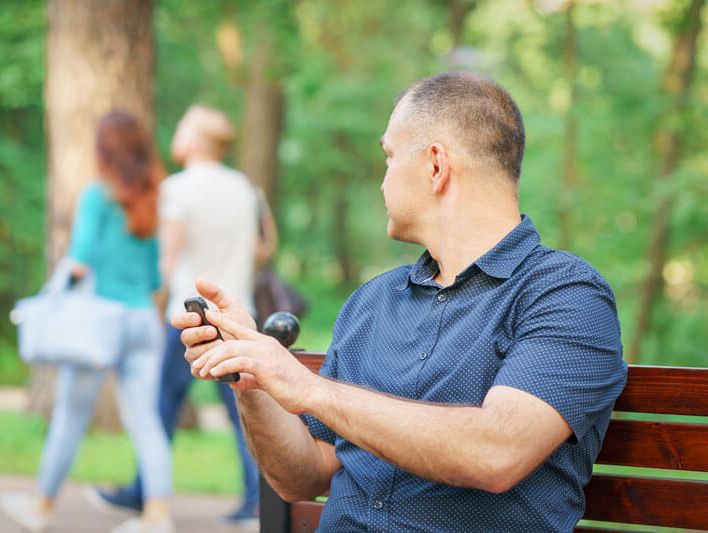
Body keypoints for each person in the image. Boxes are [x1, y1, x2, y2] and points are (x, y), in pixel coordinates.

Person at [173, 71, 628, 532]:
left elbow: (497, 452)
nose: (383, 182)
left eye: (389, 157)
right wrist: (249, 373)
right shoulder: (372, 302)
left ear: (436, 166)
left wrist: (310, 389)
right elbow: (302, 476)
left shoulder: (566, 296)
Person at [0, 111, 174, 533]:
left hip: (99, 325)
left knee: (70, 418)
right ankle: (158, 516)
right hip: (142, 322)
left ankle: (41, 505)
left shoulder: (98, 196)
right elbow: (156, 278)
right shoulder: (152, 198)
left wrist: (54, 294)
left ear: (104, 150)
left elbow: (80, 259)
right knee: (146, 422)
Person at [92, 105, 261, 528]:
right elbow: (263, 248)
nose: (177, 135)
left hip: (191, 316)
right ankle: (255, 502)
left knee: (162, 405)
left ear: (197, 141)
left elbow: (165, 262)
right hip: (238, 313)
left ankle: (143, 491)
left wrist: (151, 311)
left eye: (183, 128)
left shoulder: (179, 188)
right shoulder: (244, 187)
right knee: (242, 410)